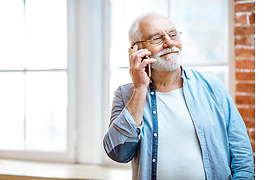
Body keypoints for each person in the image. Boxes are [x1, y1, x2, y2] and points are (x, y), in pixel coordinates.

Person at [103, 12, 254, 180]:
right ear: (136, 50)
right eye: (157, 38)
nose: (169, 43)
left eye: (173, 35)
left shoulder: (211, 86)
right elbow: (118, 153)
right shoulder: (125, 95)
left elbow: (242, 152)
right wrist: (140, 88)